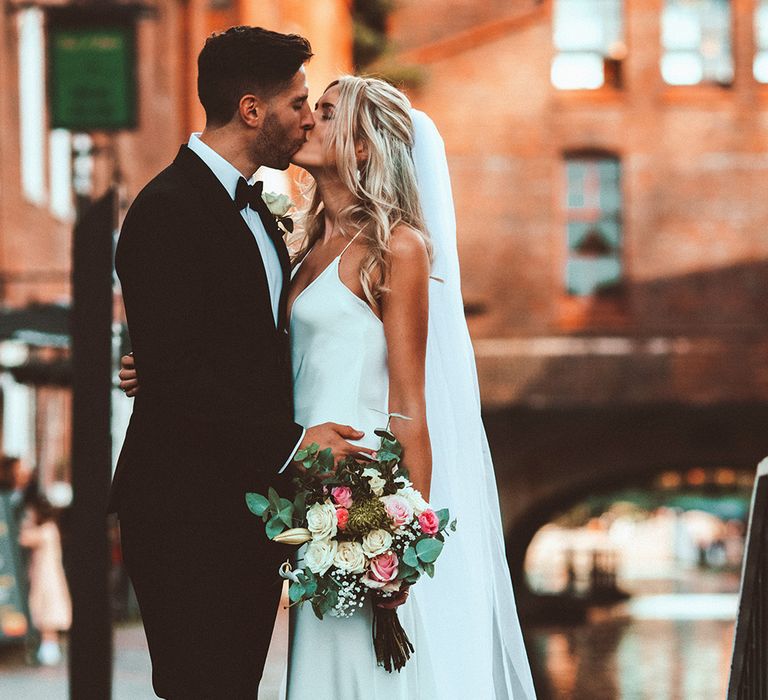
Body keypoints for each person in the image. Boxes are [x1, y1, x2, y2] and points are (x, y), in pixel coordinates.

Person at [122, 72, 537, 698]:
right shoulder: (298, 243)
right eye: (309, 107)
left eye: (326, 111)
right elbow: (251, 360)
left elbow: (409, 408)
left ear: (365, 146)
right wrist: (159, 368)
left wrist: (403, 535)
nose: (309, 120)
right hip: (302, 499)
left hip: (364, 494)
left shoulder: (397, 249)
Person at [110, 26, 375, 699]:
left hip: (247, 510)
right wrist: (296, 445)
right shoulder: (166, 210)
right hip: (186, 512)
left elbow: (227, 349)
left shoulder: (261, 210)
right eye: (297, 103)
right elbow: (182, 376)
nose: (308, 117)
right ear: (252, 110)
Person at [19, 493, 71, 666]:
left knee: (48, 612)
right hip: (45, 576)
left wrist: (25, 523)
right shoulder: (50, 528)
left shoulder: (47, 529)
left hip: (47, 578)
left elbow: (24, 538)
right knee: (45, 613)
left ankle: (49, 650)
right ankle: (48, 648)